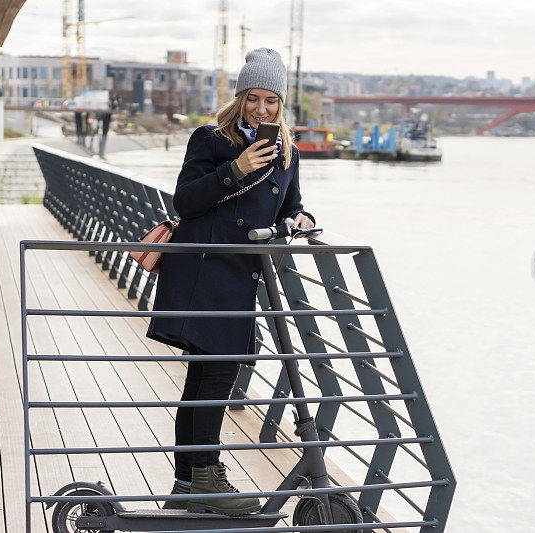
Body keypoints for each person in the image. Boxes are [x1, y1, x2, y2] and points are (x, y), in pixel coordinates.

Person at [146, 47, 315, 515]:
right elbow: (186, 201)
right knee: (214, 377)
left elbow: (291, 206)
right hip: (201, 273)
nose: (262, 109)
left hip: (240, 279)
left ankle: (190, 481)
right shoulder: (210, 139)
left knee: (206, 379)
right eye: (253, 98)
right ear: (239, 98)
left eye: (271, 101)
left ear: (282, 104)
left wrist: (301, 219)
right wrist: (236, 170)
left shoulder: (288, 152)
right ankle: (206, 479)